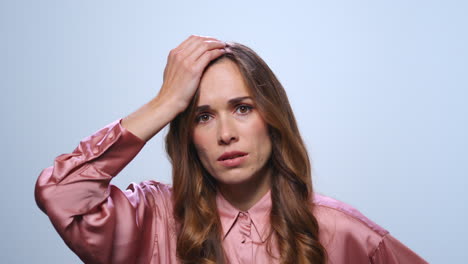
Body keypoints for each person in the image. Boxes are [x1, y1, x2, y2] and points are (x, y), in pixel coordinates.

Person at [35, 35, 428, 264]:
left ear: (272, 119)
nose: (226, 133)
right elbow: (61, 194)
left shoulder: (342, 231)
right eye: (203, 116)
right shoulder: (151, 220)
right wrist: (165, 103)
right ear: (187, 135)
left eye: (242, 108)